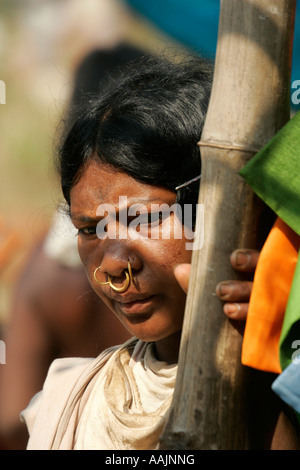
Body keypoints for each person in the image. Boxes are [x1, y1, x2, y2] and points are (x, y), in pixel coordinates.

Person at [19, 54, 268, 450]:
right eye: (89, 230)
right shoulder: (69, 403)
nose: (113, 267)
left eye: (144, 219)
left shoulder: (284, 381)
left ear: (223, 208)